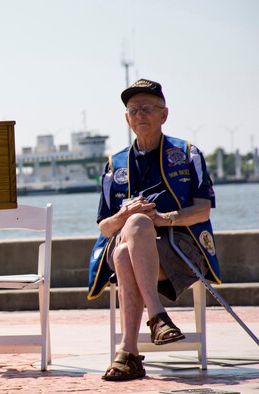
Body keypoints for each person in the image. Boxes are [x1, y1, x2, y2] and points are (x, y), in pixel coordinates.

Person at [87, 79, 220, 381]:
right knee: (130, 229)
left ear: (164, 114)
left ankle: (128, 353)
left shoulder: (188, 154)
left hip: (179, 252)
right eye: (133, 110)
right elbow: (105, 227)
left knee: (125, 252)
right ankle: (157, 317)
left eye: (147, 108)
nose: (140, 115)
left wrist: (160, 218)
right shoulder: (114, 165)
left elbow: (203, 209)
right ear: (126, 119)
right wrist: (123, 215)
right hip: (135, 248)